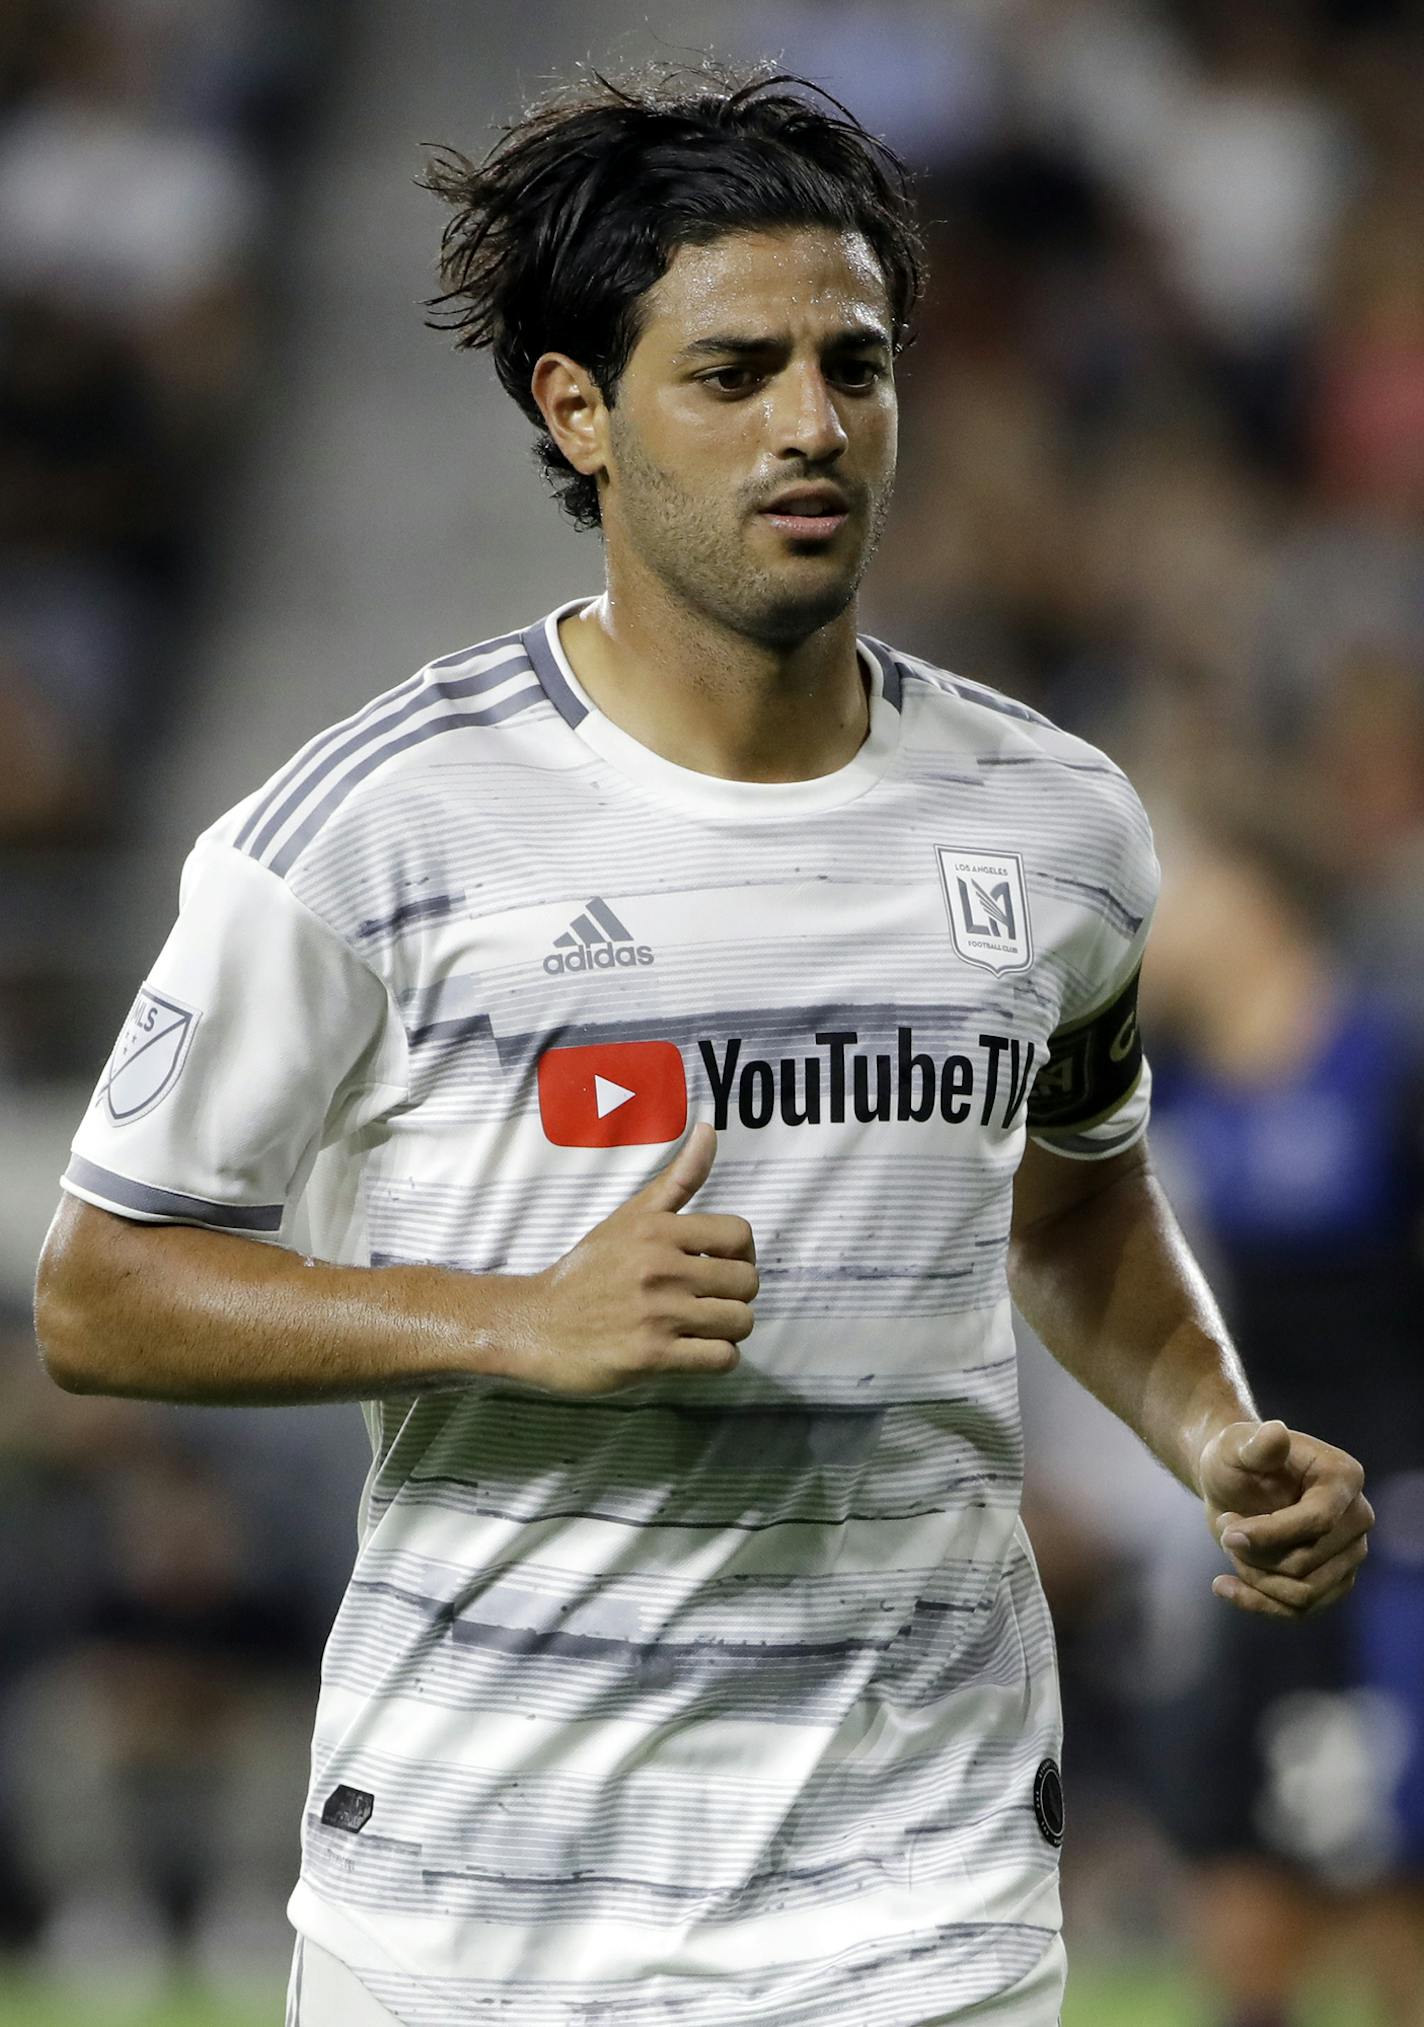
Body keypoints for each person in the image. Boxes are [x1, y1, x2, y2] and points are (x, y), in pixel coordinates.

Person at [33, 63, 1373, 2027]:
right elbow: (100, 1285)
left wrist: (1208, 1427)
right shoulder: (367, 831)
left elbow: (1074, 1208)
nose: (813, 424)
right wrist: (509, 1317)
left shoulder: (1058, 824)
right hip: (476, 1906)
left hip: (912, 1893)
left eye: (857, 361)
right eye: (731, 371)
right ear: (576, 408)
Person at [1139, 826, 1424, 2027]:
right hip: (1237, 1522)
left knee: (1389, 1881)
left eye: (1189, 884)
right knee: (1235, 1875)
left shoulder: (1386, 1066)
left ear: (1260, 900)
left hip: (1392, 1524)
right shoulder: (1160, 1083)